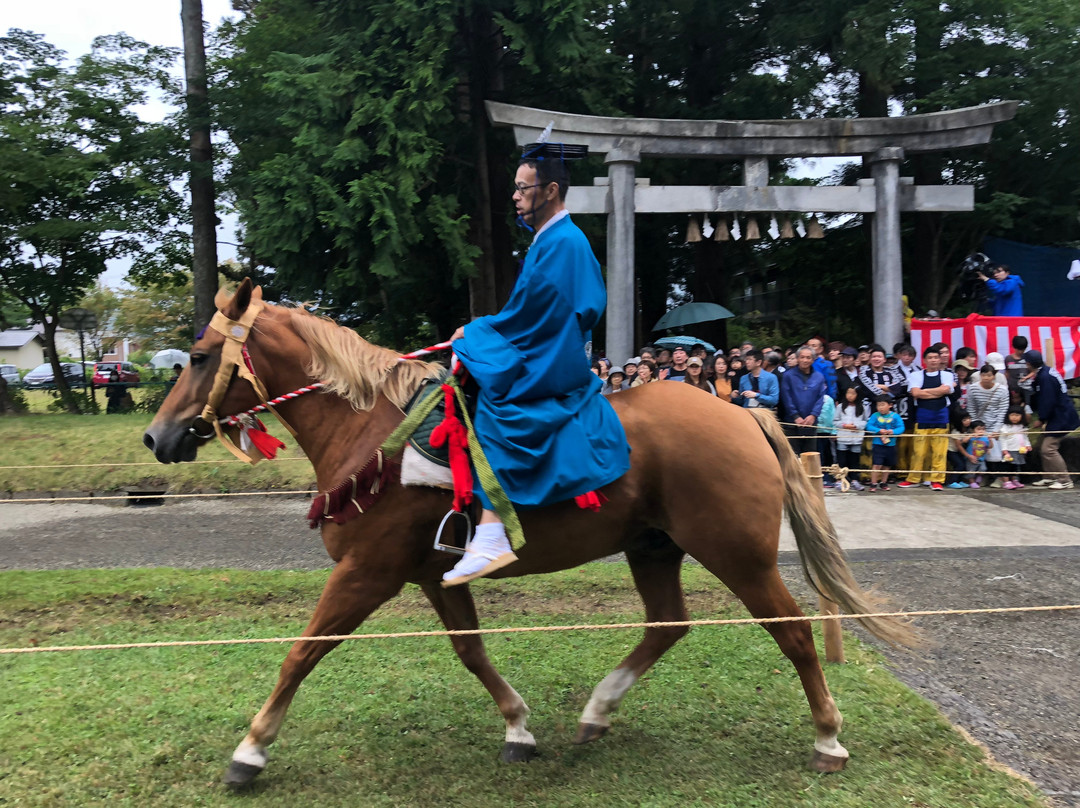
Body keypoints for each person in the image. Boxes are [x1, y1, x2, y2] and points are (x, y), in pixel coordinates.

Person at [444, 141, 631, 585]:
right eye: (514, 188)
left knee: (496, 407)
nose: (514, 196)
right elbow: (529, 310)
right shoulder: (552, 239)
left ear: (549, 190)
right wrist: (484, 329)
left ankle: (492, 531)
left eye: (522, 188)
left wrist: (477, 332)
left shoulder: (564, 241)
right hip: (547, 344)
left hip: (551, 353)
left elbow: (537, 313)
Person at [898, 347, 955, 491]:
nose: (933, 360)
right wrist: (938, 392)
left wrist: (925, 392)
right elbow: (916, 393)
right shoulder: (916, 375)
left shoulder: (947, 375)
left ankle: (936, 480)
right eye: (930, 358)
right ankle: (914, 478)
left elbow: (946, 390)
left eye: (936, 357)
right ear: (924, 360)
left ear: (940, 359)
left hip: (941, 416)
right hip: (922, 415)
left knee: (939, 451)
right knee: (918, 451)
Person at [1024, 350, 1079, 489]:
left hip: (1062, 417)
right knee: (1043, 443)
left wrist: (1041, 419)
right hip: (1060, 414)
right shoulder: (1046, 372)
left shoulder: (1045, 377)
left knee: (1048, 449)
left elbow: (1047, 401)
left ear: (1029, 364)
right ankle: (1049, 476)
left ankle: (1064, 479)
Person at [967, 363, 1010, 488]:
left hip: (996, 425)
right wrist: (976, 428)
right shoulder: (973, 388)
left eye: (989, 375)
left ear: (994, 376)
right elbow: (971, 408)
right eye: (983, 375)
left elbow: (1003, 410)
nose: (986, 378)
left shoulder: (1002, 390)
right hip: (979, 426)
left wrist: (996, 429)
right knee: (979, 453)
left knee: (996, 455)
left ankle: (999, 478)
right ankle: (982, 477)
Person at [780, 346, 826, 451]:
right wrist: (795, 416)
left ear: (813, 359)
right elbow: (786, 397)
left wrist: (813, 415)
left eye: (808, 357)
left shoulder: (819, 377)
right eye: (802, 357)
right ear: (797, 358)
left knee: (810, 455)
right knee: (793, 455)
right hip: (792, 422)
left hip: (811, 422)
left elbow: (820, 398)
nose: (805, 360)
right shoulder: (788, 376)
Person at [865, 394, 904, 491]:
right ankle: (873, 483)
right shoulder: (875, 416)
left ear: (890, 405)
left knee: (887, 465)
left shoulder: (895, 416)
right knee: (876, 464)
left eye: (882, 405)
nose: (880, 408)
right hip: (878, 444)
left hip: (891, 444)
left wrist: (893, 432)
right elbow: (869, 426)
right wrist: (879, 430)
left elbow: (901, 427)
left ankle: (884, 482)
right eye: (878, 405)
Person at [833, 385, 867, 491]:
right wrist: (844, 425)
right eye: (848, 393)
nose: (850, 396)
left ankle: (854, 480)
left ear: (858, 395)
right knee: (841, 459)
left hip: (856, 437)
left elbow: (865, 421)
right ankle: (839, 480)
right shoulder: (841, 407)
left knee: (854, 460)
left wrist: (856, 426)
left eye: (853, 393)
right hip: (843, 436)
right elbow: (835, 421)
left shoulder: (862, 407)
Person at [998, 407, 1033, 489]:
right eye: (1012, 415)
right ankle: (1006, 482)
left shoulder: (1022, 427)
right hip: (1009, 450)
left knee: (1016, 466)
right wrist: (1004, 450)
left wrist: (1028, 445)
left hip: (1019, 449)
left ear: (1022, 416)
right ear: (1008, 416)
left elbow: (1025, 437)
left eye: (1017, 415)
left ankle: (1015, 480)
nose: (1014, 417)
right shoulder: (1005, 427)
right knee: (1007, 466)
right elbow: (1002, 439)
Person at [962, 420, 993, 488]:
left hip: (981, 459)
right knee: (971, 471)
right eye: (978, 429)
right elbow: (964, 440)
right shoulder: (972, 437)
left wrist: (990, 440)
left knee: (983, 469)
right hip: (971, 458)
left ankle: (979, 477)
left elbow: (990, 446)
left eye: (983, 429)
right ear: (973, 430)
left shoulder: (985, 438)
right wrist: (971, 435)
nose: (981, 431)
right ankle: (972, 482)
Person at [807, 335, 838, 400]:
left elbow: (831, 385)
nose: (810, 348)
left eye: (814, 346)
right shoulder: (802, 364)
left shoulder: (827, 364)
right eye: (808, 346)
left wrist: (831, 400)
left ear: (821, 349)